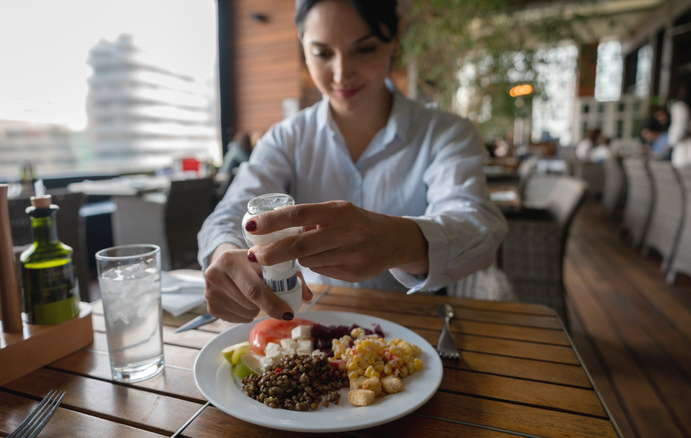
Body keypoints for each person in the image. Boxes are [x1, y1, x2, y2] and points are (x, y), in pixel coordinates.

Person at [197, 0, 507, 323]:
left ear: (394, 39)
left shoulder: (446, 133)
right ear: (302, 44)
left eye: (365, 49)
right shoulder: (285, 139)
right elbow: (227, 217)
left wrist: (398, 242)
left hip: (416, 335)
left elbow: (479, 228)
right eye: (322, 53)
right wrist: (226, 257)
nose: (342, 74)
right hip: (307, 328)